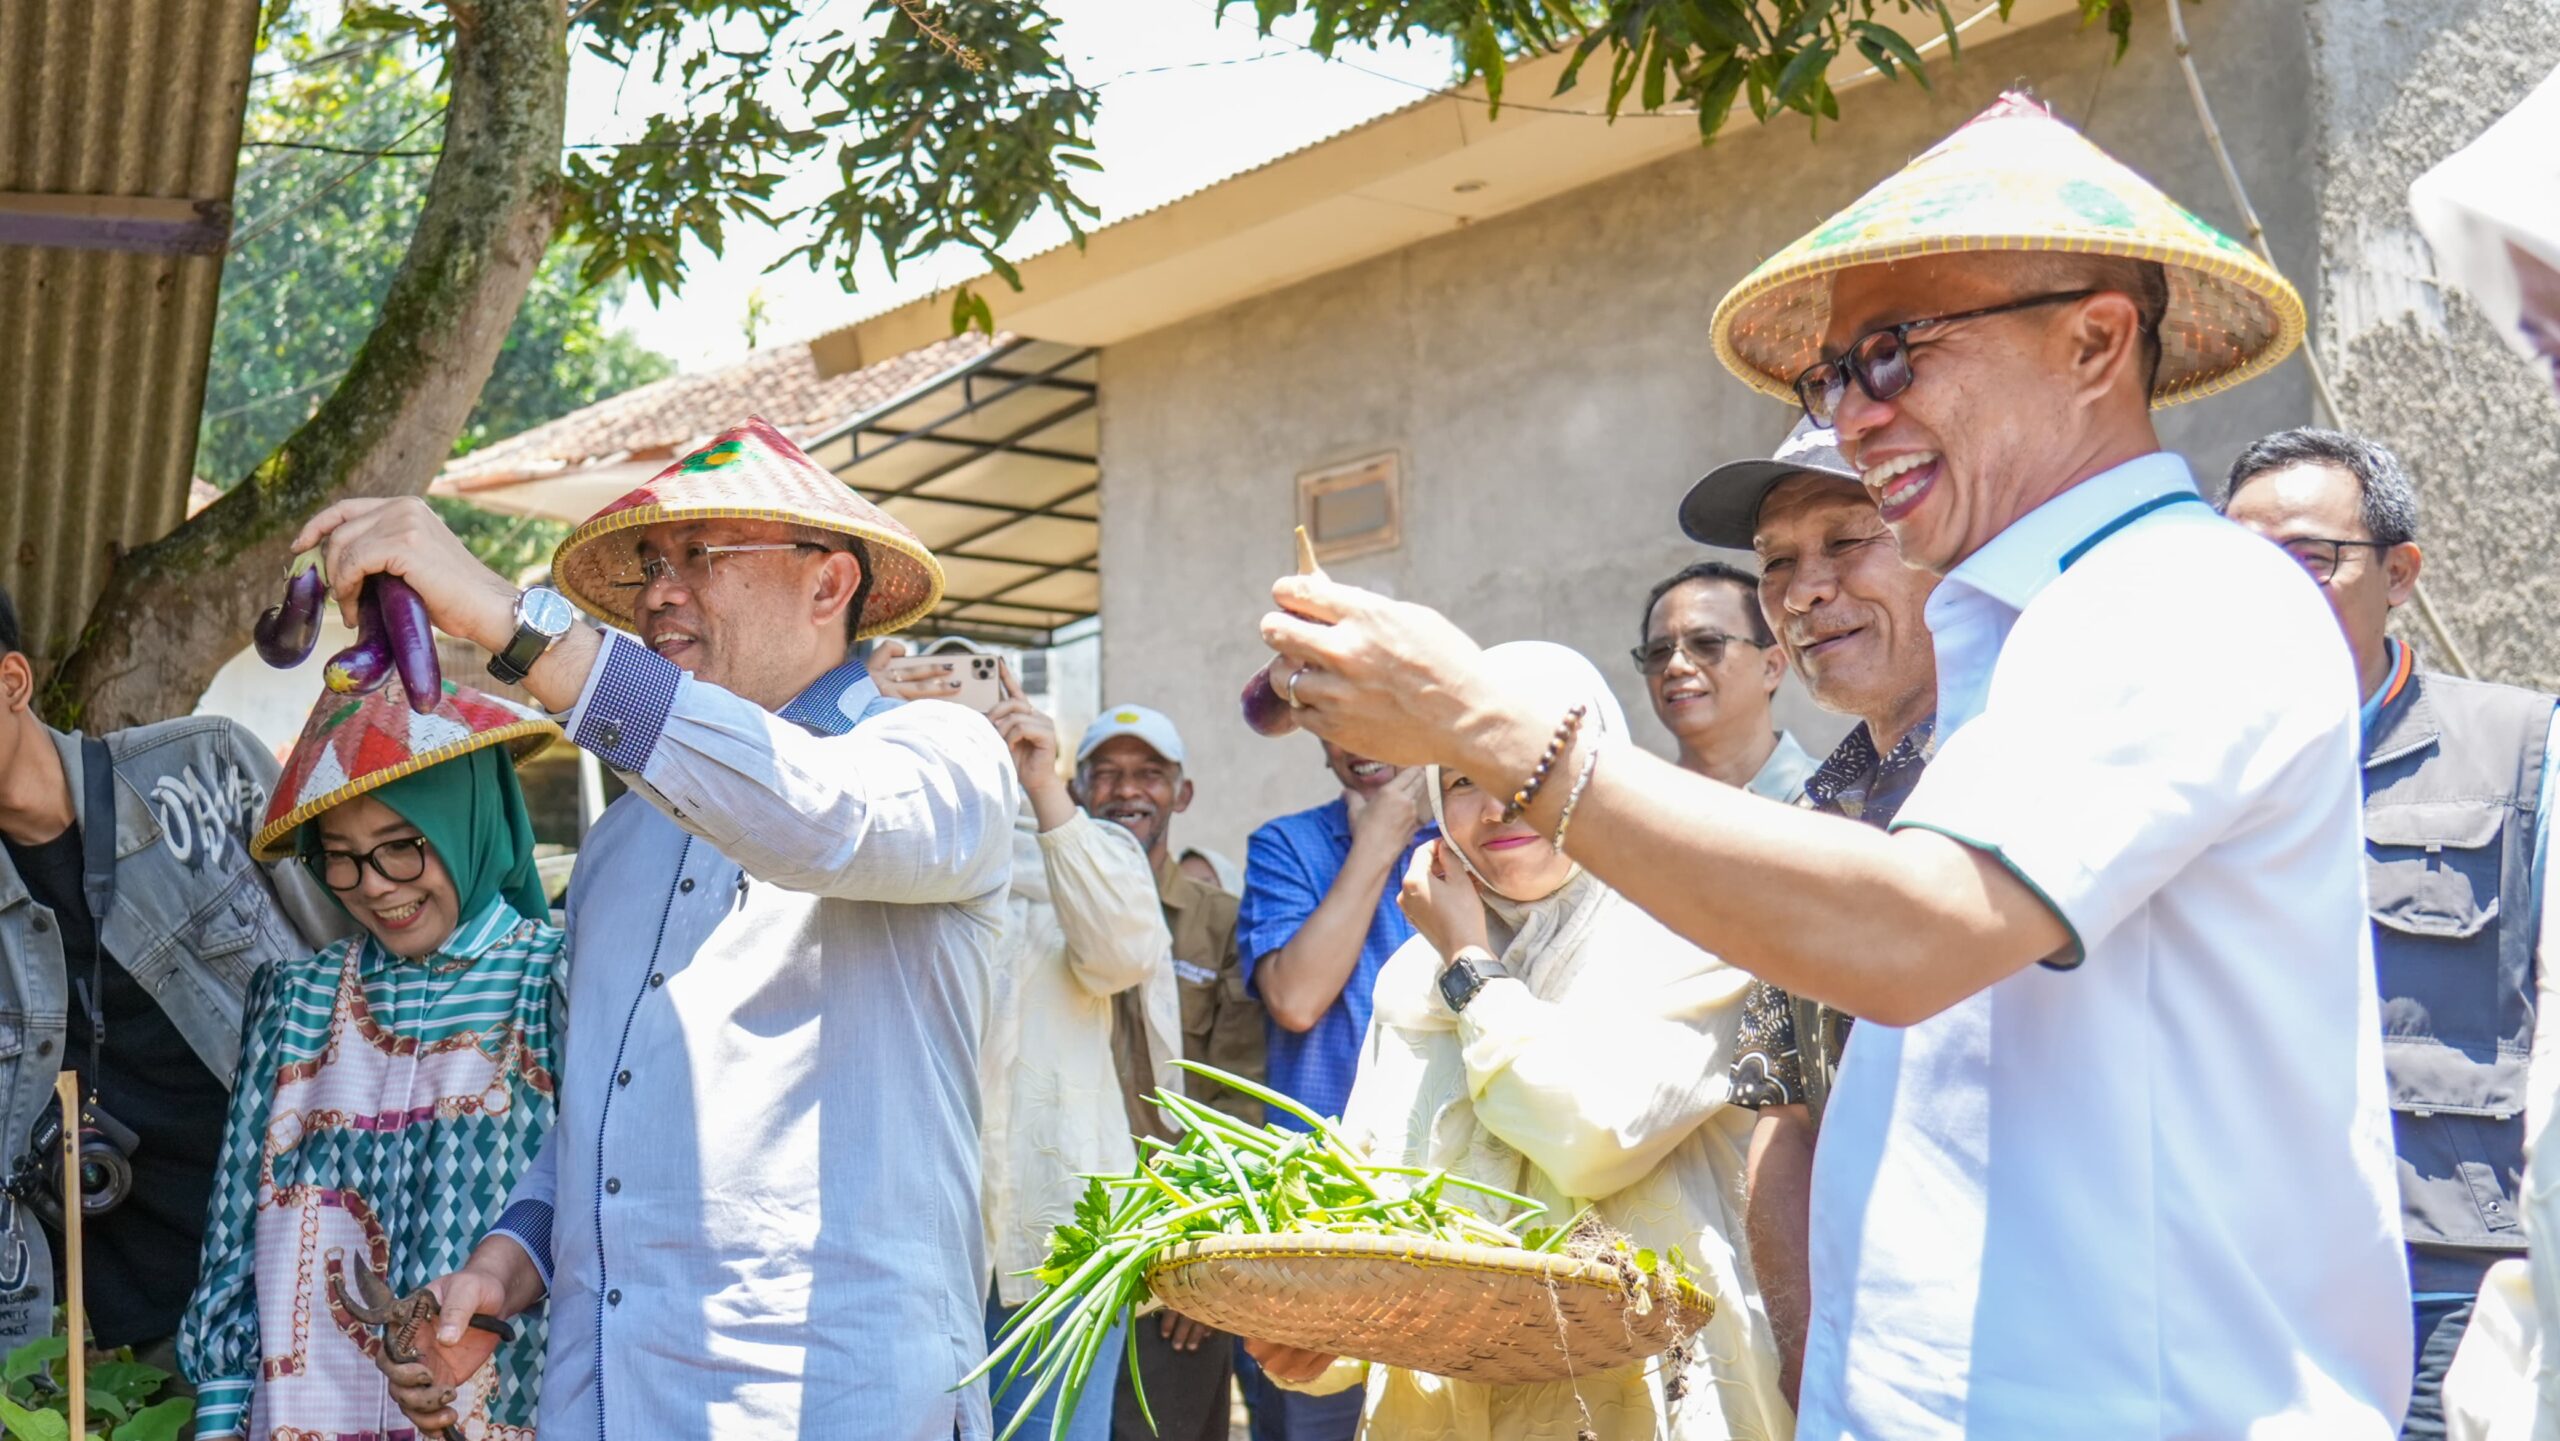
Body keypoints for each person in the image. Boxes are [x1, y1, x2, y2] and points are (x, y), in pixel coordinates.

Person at [1254, 94, 2411, 1438]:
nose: (1855, 419)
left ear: (2096, 340)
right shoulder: (2013, 643)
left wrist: (1486, 727)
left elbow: (1914, 932)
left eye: (1892, 356)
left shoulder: (2181, 593)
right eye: (1831, 377)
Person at [321, 418, 1018, 1440]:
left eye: (702, 557)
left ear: (828, 587)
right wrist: (504, 1265)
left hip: (830, 1396)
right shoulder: (623, 844)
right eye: (652, 562)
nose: (659, 591)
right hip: (610, 1396)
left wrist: (516, 624)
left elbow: (808, 816)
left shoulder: (937, 757)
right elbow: (607, 1112)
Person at [1244, 642, 1790, 1440]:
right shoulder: (1411, 973)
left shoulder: (1690, 929)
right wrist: (1322, 1336)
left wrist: (1471, 966)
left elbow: (1589, 1136)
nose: (1499, 806)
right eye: (1464, 778)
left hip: (1648, 1398)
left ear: (1599, 777)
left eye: (1535, 774)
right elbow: (1380, 1212)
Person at [2221, 427, 2558, 1440]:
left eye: (2307, 559)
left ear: (2399, 573)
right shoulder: (2181, 764)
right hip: (2231, 1262)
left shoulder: (2520, 747)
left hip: (2441, 1269)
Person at [180, 678, 565, 1439]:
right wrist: (221, 1423)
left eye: (401, 846)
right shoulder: (294, 1002)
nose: (376, 887)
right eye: (343, 858)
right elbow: (231, 1247)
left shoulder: (555, 981)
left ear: (468, 821)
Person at [0, 585, 347, 1376]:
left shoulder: (210, 766)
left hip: (319, 1264)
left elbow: (360, 964)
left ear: (13, 683)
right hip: (128, 1344)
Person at [1676, 417, 1940, 1408]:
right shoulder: (1816, 811)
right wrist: (1801, 1341)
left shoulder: (2013, 764)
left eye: (1846, 539)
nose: (1803, 590)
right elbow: (1784, 1113)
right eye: (1777, 561)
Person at [877, 649, 1174, 1441]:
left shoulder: (1090, 847)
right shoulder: (887, 844)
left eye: (976, 693)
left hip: (1059, 1238)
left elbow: (1121, 955)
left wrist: (1043, 785)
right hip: (912, 1238)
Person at [1071, 704, 1263, 1441]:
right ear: (1077, 786)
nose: (1128, 791)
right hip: (1062, 1237)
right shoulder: (1042, 903)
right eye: (1109, 773)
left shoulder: (1220, 922)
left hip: (1171, 1245)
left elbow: (1240, 1098)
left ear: (1181, 795)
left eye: (1149, 774)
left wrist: (1204, 1256)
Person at [1231, 739, 1432, 1440]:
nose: (1356, 740)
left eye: (1374, 719)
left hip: (1446, 1204)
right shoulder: (1288, 844)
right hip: (1320, 1217)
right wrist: (1377, 842)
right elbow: (1296, 996)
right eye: (1333, 721)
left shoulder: (1474, 840)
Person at [1636, 561, 1817, 801]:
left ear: (1771, 667)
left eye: (1706, 643)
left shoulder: (1849, 807)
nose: (1675, 667)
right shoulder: (1633, 819)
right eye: (1658, 652)